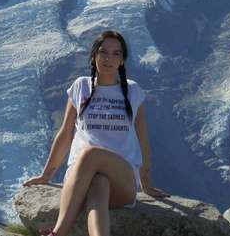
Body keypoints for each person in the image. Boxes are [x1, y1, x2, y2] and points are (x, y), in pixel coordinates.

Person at [22, 30, 170, 236]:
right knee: (98, 183)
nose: (109, 58)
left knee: (91, 153)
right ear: (94, 56)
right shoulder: (81, 86)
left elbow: (142, 139)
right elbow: (65, 133)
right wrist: (46, 175)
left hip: (122, 179)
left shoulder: (133, 91)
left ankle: (58, 233)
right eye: (103, 52)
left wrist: (146, 183)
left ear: (122, 60)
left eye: (116, 53)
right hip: (82, 179)